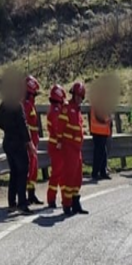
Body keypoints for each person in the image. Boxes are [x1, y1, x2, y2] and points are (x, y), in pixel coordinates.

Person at [0, 73, 34, 214]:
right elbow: (23, 125)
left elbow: (0, 124)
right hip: (18, 143)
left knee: (13, 172)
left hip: (7, 142)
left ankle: (12, 202)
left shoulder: (2, 106)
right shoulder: (17, 106)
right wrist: (29, 142)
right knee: (22, 171)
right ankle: (22, 203)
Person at [61, 82, 88, 216]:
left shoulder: (77, 110)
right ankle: (67, 204)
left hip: (77, 149)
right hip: (69, 147)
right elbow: (60, 127)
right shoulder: (67, 108)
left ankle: (76, 203)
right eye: (77, 96)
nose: (79, 99)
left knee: (78, 177)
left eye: (81, 97)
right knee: (69, 177)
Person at [44, 84, 67, 210]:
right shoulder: (56, 111)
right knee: (57, 173)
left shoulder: (54, 109)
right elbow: (59, 128)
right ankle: (52, 198)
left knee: (60, 173)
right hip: (57, 146)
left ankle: (64, 198)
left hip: (56, 145)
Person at [23, 75, 44, 205]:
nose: (35, 95)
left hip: (33, 141)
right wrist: (29, 141)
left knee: (33, 169)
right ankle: (24, 197)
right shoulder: (25, 105)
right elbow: (25, 125)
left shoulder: (30, 104)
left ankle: (31, 195)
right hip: (28, 142)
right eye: (34, 92)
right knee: (28, 168)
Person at [88, 102, 112, 180]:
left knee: (103, 152)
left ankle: (102, 171)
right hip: (98, 131)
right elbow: (100, 117)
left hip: (102, 131)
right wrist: (108, 119)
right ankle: (95, 172)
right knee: (99, 152)